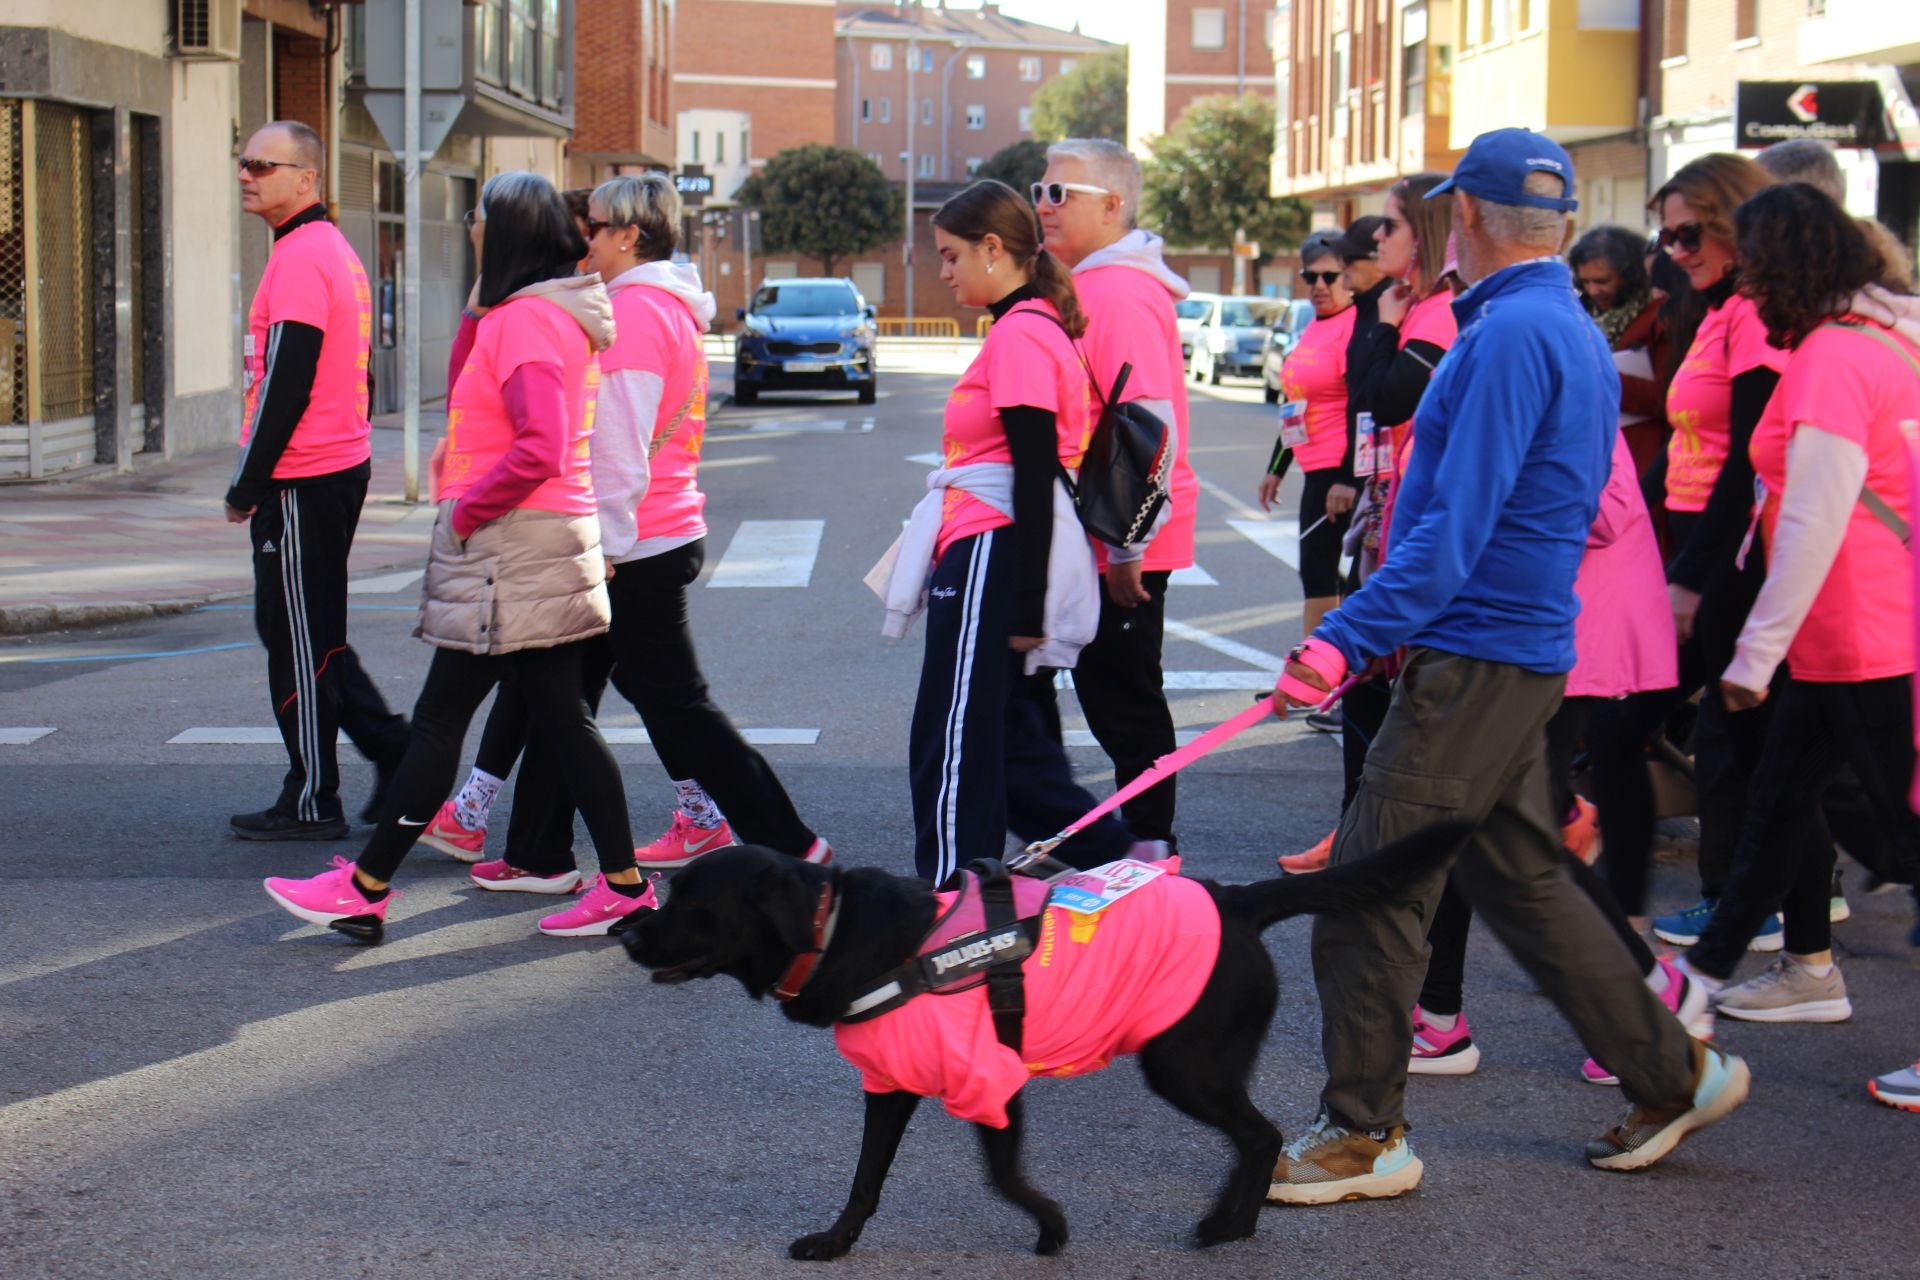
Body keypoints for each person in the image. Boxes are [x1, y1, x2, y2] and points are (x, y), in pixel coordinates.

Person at [1267, 130, 1748, 1204]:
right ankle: (1674, 1072)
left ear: (1469, 217)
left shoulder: (1507, 335)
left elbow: (1450, 532)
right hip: (1516, 645)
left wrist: (1341, 636)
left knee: (1369, 893)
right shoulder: (1563, 325)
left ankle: (1361, 1132)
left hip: (1478, 651)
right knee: (1523, 879)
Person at [262, 171, 652, 943]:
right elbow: (471, 382)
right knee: (561, 723)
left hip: (511, 541)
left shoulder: (532, 322)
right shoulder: (528, 313)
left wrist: (470, 510)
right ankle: (627, 889)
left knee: (443, 720)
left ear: (503, 230)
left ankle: (368, 884)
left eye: (479, 214)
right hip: (536, 538)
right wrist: (481, 300)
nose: (469, 222)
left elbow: (538, 442)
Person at [428, 174, 834, 878]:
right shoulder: (648, 302)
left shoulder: (640, 311)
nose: (582, 234)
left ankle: (792, 847)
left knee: (671, 707)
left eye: (595, 223)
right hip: (642, 533)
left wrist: (604, 548)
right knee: (562, 700)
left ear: (630, 234)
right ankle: (537, 853)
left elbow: (616, 443)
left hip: (636, 542)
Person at [1678, 184, 1920, 1036]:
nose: (1744, 284)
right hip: (1859, 631)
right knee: (1780, 812)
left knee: (1886, 833)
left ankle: (1700, 989)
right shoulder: (1885, 342)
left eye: (1753, 263)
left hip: (1852, 631)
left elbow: (1816, 517)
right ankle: (1700, 988)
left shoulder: (1833, 358)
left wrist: (1753, 654)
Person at [875, 179, 1137, 884]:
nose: (944, 271)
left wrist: (1024, 609)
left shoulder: (1022, 332)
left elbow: (1031, 469)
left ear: (995, 249)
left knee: (953, 735)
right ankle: (1120, 866)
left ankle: (953, 898)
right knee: (1015, 751)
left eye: (952, 255)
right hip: (998, 549)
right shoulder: (1032, 325)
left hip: (994, 548)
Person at [1587, 154, 1811, 952]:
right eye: (1666, 233)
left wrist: (1689, 581)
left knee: (1783, 768)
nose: (1674, 250)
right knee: (1757, 760)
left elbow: (1747, 460)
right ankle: (1640, 932)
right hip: (1697, 555)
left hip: (1735, 563)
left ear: (1733, 225)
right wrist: (1629, 519)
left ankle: (1756, 951)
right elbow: (1686, 450)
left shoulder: (1752, 315)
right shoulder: (1715, 312)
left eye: (1689, 232)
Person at [226, 120, 408, 842]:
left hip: (305, 477)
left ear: (306, 179)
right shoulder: (323, 248)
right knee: (305, 629)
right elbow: (349, 372)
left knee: (300, 638)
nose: (246, 174)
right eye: (243, 162)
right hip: (328, 468)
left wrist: (249, 481)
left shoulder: (303, 255)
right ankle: (393, 750)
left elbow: (287, 379)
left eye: (262, 165)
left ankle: (311, 799)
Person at [1281, 183, 1457, 875]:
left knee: (1396, 692)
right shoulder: (1408, 306)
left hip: (1413, 516)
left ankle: (1557, 816)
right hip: (1386, 506)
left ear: (1427, 233)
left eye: (1390, 227)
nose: (1375, 240)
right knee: (1376, 690)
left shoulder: (1434, 313)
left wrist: (1380, 324)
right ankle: (1355, 831)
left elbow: (1383, 398)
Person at [1029, 138, 1198, 850]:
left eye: (1060, 193)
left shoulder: (1116, 290)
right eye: (1039, 189)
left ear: (1112, 205)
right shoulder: (1095, 281)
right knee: (1097, 687)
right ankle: (1110, 831)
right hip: (1106, 527)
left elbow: (1144, 426)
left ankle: (1151, 845)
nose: (1043, 203)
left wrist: (1127, 545)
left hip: (1120, 532)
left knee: (1123, 697)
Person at [1258, 231, 1355, 646]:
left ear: (1349, 276)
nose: (1318, 286)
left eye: (1329, 277)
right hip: (1315, 468)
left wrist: (1349, 478)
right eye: (1309, 276)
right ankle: (1325, 673)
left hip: (1340, 472)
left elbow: (1365, 409)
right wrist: (1276, 468)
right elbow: (1294, 405)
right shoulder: (1316, 326)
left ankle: (1316, 677)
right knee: (1320, 573)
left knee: (1323, 574)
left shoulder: (1354, 328)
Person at [1570, 225, 1666, 478]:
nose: (1593, 291)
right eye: (1586, 282)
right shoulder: (1583, 317)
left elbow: (1667, 398)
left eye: (1602, 281)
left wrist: (1599, 376)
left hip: (1642, 457)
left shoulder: (1658, 318)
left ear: (1628, 276)